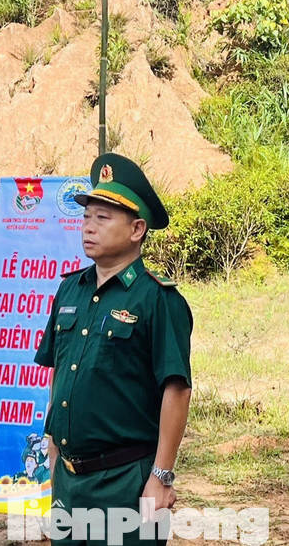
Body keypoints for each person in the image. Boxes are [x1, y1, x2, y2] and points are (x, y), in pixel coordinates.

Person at [32, 152, 192, 546]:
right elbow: (60, 372)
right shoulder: (70, 290)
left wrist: (161, 477)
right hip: (70, 481)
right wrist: (54, 451)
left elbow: (177, 388)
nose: (88, 226)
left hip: (126, 481)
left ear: (137, 229)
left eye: (102, 218)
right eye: (86, 216)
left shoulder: (157, 299)